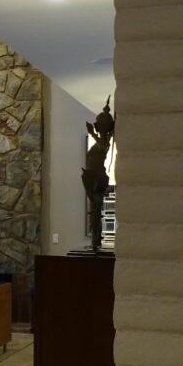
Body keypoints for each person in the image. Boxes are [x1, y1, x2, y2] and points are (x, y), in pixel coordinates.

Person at [81, 98, 114, 252]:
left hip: (96, 176)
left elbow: (103, 146)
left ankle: (95, 241)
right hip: (94, 175)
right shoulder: (104, 139)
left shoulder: (104, 140)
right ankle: (96, 240)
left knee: (95, 208)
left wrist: (92, 134)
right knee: (96, 208)